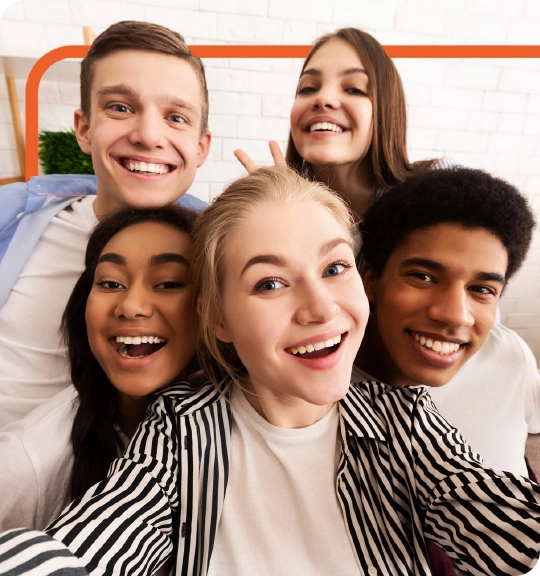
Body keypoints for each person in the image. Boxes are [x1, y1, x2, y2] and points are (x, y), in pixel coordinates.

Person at [1, 167, 540, 576]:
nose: (321, 308)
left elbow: (485, 507)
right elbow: (94, 542)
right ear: (218, 320)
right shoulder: (180, 430)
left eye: (334, 268)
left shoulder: (408, 422)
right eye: (269, 283)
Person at [235, 26, 540, 478]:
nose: (323, 99)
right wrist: (279, 216)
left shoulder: (433, 199)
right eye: (308, 87)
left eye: (353, 88)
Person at [0, 20, 211, 427]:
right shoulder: (14, 220)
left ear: (201, 147)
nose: (149, 135)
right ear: (84, 128)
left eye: (176, 117)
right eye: (120, 108)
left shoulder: (222, 252)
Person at [0, 205, 198, 532]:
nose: (131, 306)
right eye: (110, 283)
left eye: (168, 283)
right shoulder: (24, 462)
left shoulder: (231, 425)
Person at [355, 166, 539, 478]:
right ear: (370, 281)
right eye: (423, 277)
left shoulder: (509, 356)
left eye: (482, 289)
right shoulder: (316, 395)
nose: (456, 315)